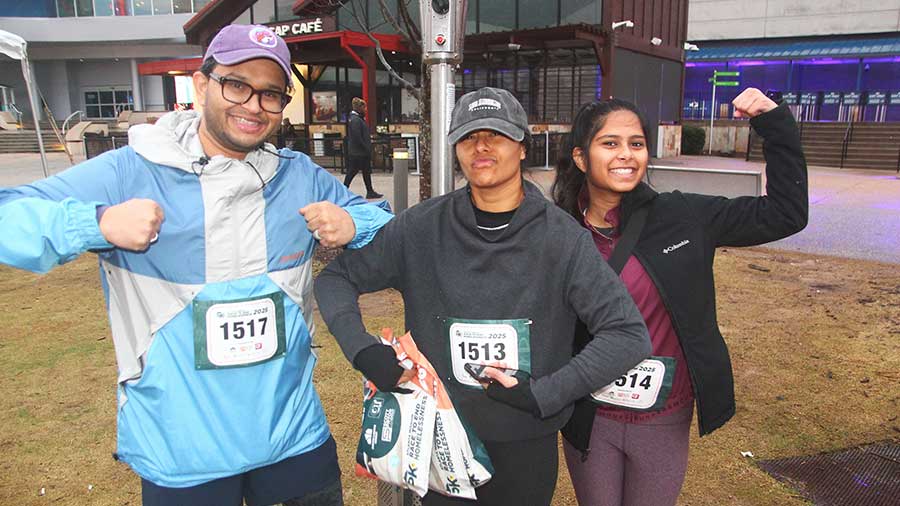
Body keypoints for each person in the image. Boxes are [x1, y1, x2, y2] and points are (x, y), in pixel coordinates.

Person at [0, 24, 393, 506]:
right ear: (201, 84)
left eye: (271, 94)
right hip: (182, 453)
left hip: (293, 437)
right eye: (237, 84)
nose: (253, 105)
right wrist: (97, 223)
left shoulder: (299, 176)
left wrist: (356, 225)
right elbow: (8, 216)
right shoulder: (131, 170)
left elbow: (390, 227)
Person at [315, 87, 652, 505]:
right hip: (439, 436)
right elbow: (335, 279)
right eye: (470, 136)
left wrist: (545, 393)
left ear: (523, 148)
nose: (482, 146)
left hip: (525, 443)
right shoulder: (421, 228)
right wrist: (361, 348)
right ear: (456, 148)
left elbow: (627, 334)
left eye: (497, 134)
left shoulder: (562, 239)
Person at [553, 88, 808, 506]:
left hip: (662, 415)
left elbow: (786, 213)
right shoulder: (559, 230)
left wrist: (774, 123)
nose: (626, 154)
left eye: (636, 144)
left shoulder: (683, 216)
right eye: (610, 143)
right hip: (589, 414)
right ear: (581, 158)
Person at [343, 97, 382, 198]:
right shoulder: (356, 120)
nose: (366, 110)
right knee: (352, 171)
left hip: (359, 151)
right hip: (358, 152)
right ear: (359, 108)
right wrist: (366, 148)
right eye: (364, 108)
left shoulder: (356, 119)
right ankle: (343, 189)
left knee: (365, 171)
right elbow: (357, 137)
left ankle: (369, 191)